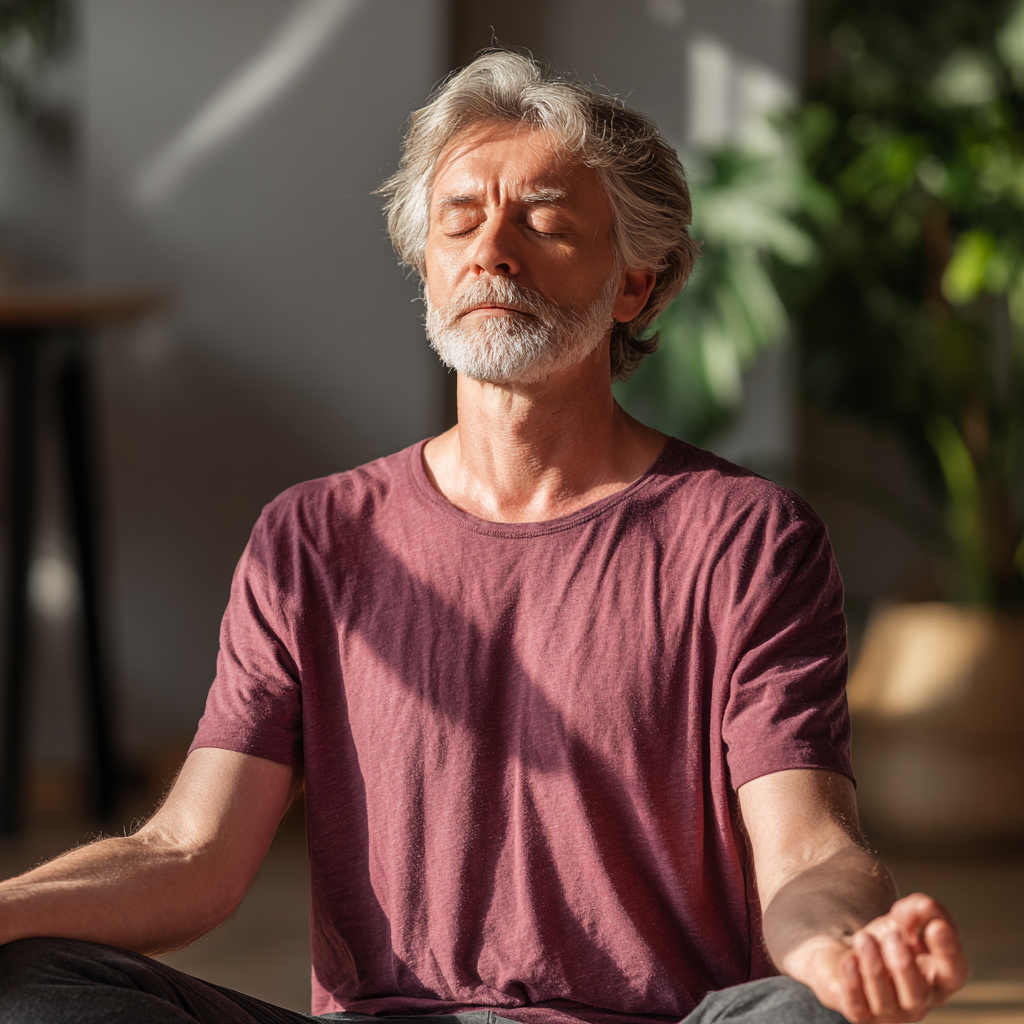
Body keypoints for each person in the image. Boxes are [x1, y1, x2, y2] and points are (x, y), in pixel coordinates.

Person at [0, 52, 968, 1024]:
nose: (492, 251)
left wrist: (841, 951)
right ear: (426, 261)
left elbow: (804, 848)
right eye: (459, 220)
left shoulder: (746, 538)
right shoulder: (312, 535)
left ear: (637, 283)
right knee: (27, 984)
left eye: (543, 221)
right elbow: (189, 855)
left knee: (801, 1014)